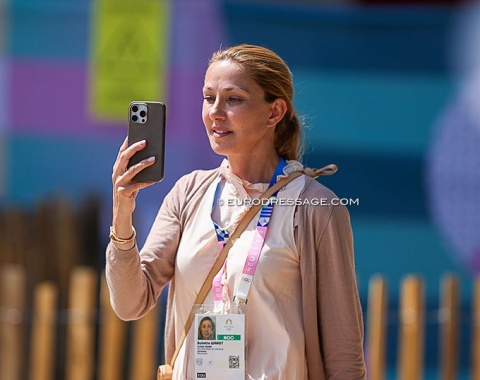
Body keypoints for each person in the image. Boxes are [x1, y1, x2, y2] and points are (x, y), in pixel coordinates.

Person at [106, 44, 366, 380]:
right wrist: (122, 217)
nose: (215, 112)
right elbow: (130, 304)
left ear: (274, 113)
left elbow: (344, 354)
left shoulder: (317, 208)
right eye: (208, 97)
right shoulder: (189, 192)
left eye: (233, 99)